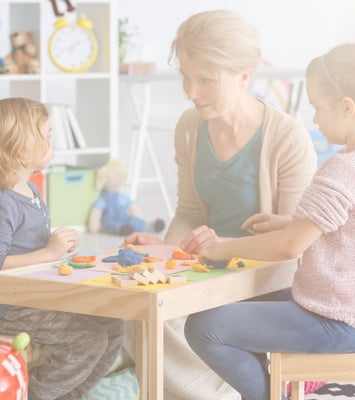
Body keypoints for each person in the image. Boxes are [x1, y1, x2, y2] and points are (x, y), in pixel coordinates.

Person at [184, 43, 355, 400]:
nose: (315, 119)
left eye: (318, 108)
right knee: (238, 307)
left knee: (204, 326)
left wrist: (222, 249)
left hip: (335, 322)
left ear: (347, 107)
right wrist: (293, 220)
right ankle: (270, 391)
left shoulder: (346, 167)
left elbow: (290, 247)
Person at [123, 10, 317, 399]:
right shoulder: (190, 128)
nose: (191, 92)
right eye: (186, 77)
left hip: (265, 280)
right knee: (133, 309)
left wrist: (219, 249)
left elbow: (295, 245)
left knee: (169, 331)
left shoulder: (288, 139)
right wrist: (163, 253)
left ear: (244, 75)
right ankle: (233, 380)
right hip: (207, 272)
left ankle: (231, 384)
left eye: (205, 81)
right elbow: (190, 215)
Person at [0, 97, 125, 400]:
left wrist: (56, 245)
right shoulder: (0, 202)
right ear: (23, 150)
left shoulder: (31, 190)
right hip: (12, 308)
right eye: (48, 135)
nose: (53, 143)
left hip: (37, 296)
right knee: (88, 341)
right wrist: (49, 253)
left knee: (114, 325)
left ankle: (70, 394)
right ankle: (34, 394)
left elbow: (27, 244)